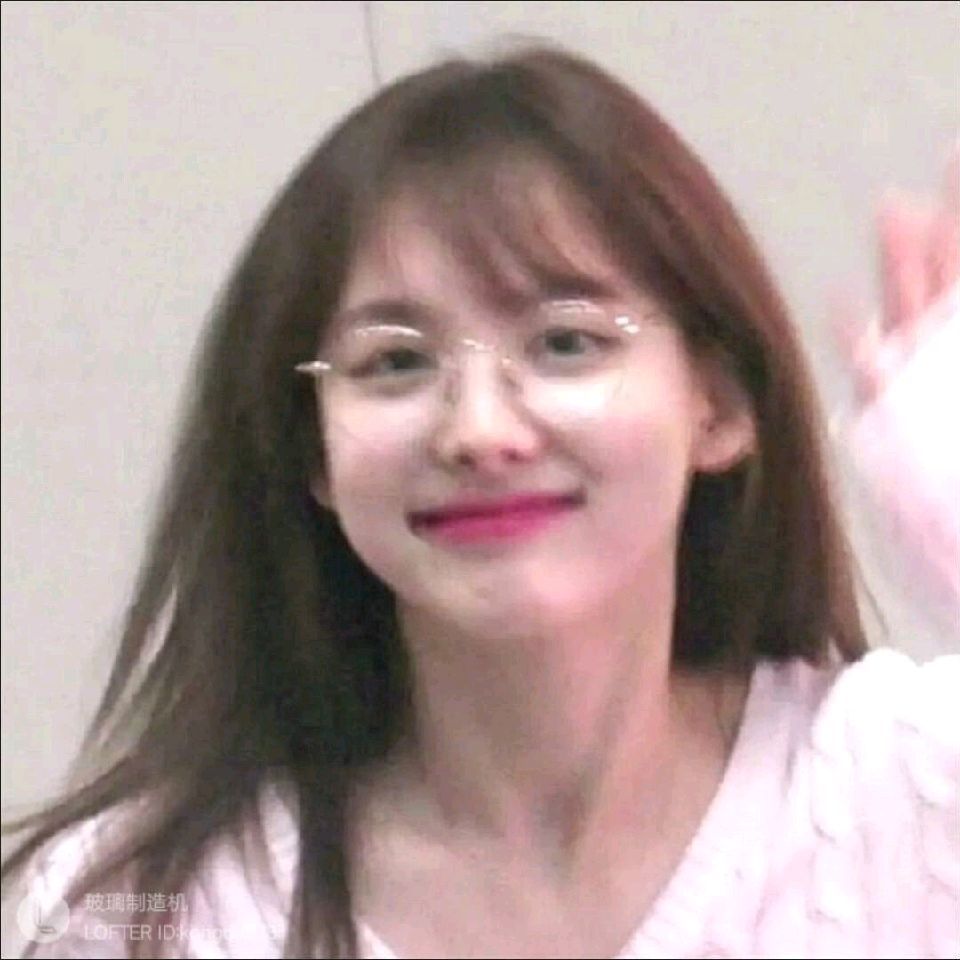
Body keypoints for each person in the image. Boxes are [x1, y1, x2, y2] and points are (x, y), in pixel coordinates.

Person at [2, 45, 958, 960]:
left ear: (720, 402)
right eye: (395, 362)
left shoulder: (914, 786)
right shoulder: (135, 909)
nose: (479, 431)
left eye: (566, 343)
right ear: (314, 453)